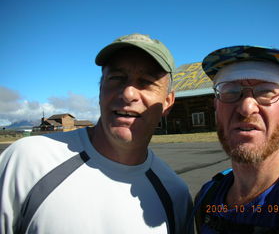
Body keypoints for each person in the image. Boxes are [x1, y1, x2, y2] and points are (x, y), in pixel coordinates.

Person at [0, 33, 193, 234]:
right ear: (101, 89)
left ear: (168, 102)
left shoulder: (175, 194)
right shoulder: (27, 160)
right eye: (116, 78)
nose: (128, 93)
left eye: (146, 82)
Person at [194, 46, 279, 233]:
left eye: (266, 91)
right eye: (230, 91)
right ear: (216, 108)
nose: (246, 107)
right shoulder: (207, 197)